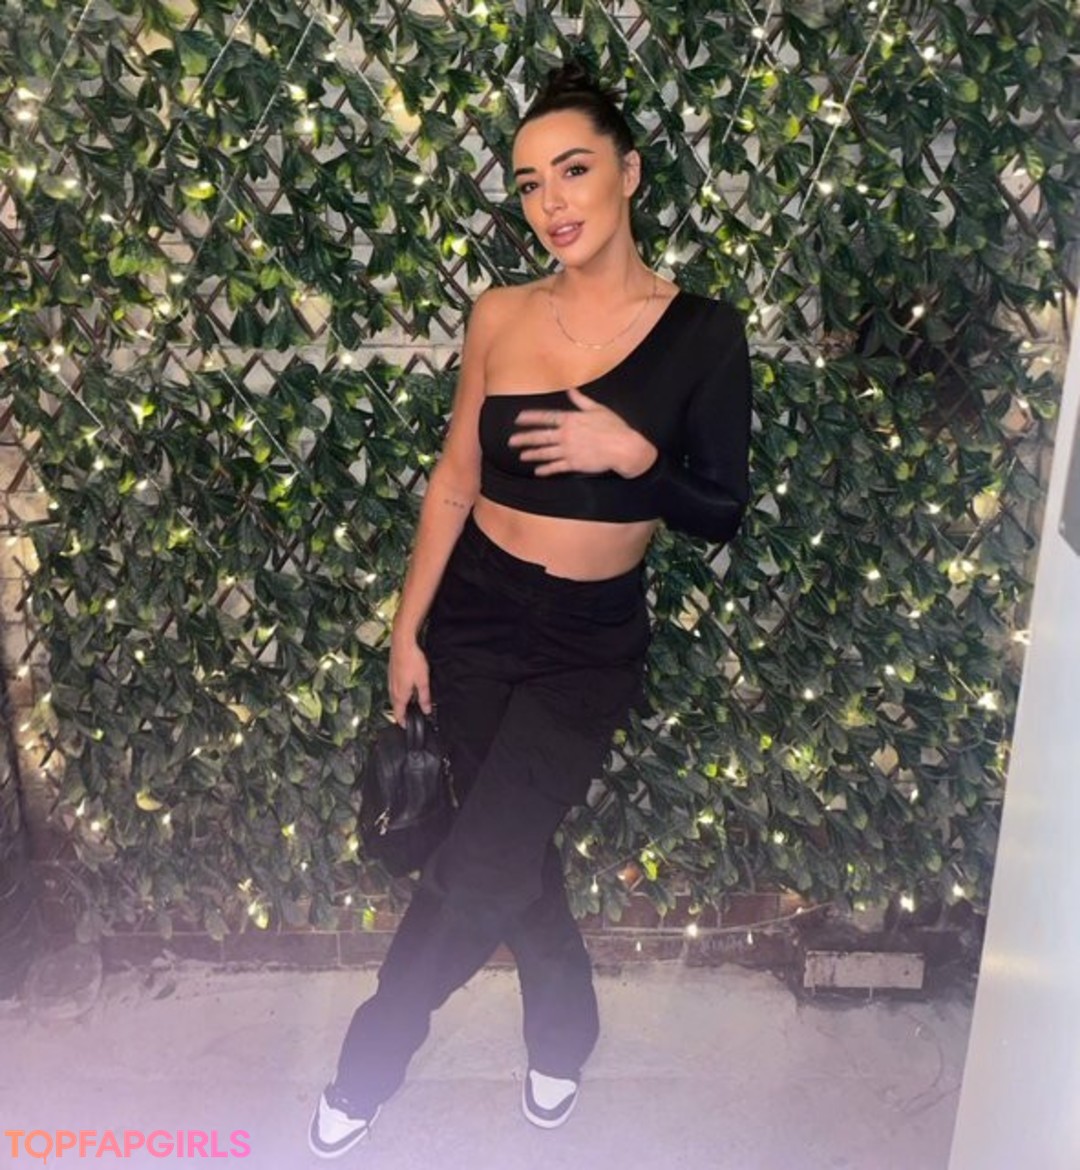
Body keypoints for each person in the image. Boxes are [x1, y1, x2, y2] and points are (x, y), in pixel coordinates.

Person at [309, 59, 752, 1159]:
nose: (552, 201)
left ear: (629, 174)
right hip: (474, 617)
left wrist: (637, 458)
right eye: (528, 182)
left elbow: (722, 514)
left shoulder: (704, 333)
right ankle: (565, 1033)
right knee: (509, 855)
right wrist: (408, 629)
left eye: (574, 170)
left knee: (484, 860)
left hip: (586, 646)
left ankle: (368, 1063)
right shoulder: (499, 315)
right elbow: (457, 479)